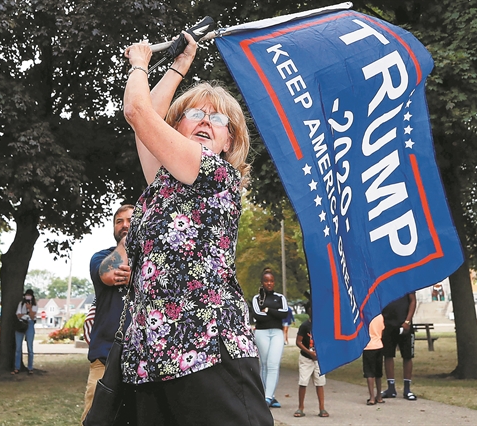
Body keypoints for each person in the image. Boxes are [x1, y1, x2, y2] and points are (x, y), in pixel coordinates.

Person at [117, 33, 272, 425]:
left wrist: (140, 62)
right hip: (152, 355)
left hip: (207, 350)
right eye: (195, 114)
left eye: (218, 119)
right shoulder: (163, 181)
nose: (206, 121)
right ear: (176, 126)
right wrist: (180, 64)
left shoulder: (212, 171)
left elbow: (138, 111)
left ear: (228, 141)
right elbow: (145, 126)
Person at [80, 204, 133, 424]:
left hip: (144, 360)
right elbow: (110, 274)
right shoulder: (100, 258)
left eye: (130, 220)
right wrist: (126, 242)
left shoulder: (154, 262)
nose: (125, 225)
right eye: (119, 221)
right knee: (96, 419)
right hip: (105, 357)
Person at [252, 267, 289, 408]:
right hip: (262, 333)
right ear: (262, 282)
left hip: (276, 333)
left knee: (273, 364)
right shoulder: (257, 299)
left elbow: (284, 313)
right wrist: (274, 313)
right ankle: (268, 395)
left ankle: (267, 397)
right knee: (265, 363)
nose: (269, 283)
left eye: (271, 281)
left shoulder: (280, 298)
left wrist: (268, 310)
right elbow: (257, 315)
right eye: (266, 281)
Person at [294, 302, 328, 418]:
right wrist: (309, 352)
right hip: (306, 358)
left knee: (320, 383)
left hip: (319, 359)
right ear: (307, 311)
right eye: (310, 309)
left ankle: (322, 408)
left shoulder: (322, 325)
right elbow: (298, 342)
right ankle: (300, 407)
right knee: (303, 382)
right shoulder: (304, 326)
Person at [381, 291, 417, 401]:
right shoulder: (385, 281)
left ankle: (407, 389)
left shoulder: (405, 280)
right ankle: (391, 388)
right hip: (387, 324)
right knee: (388, 355)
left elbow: (413, 300)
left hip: (404, 324)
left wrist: (407, 321)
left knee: (407, 356)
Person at [13, 289, 37, 374]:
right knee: (18, 348)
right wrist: (26, 314)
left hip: (30, 324)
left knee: (30, 348)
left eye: (29, 295)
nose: (27, 297)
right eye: (26, 295)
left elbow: (33, 316)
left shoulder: (34, 305)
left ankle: (30, 367)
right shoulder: (21, 304)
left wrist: (29, 308)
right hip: (21, 324)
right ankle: (17, 367)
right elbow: (18, 315)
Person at [363, 314, 385, 405]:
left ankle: (372, 397)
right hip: (379, 345)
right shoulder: (380, 316)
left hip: (368, 346)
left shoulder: (364, 316)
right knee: (378, 372)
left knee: (369, 373)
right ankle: (379, 396)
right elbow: (382, 330)